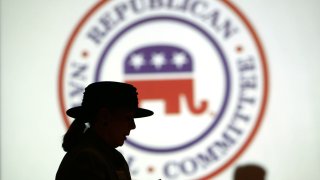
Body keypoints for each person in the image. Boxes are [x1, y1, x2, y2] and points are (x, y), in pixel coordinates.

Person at [56, 81, 154, 180]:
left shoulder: (111, 157)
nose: (133, 126)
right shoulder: (88, 159)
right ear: (105, 116)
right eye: (128, 118)